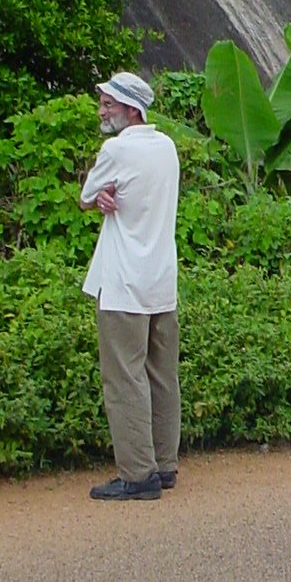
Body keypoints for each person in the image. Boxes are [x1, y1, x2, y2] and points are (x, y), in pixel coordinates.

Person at [79, 71, 181, 501]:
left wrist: (97, 197)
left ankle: (138, 475)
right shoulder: (168, 147)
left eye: (109, 105)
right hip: (161, 278)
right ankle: (164, 464)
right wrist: (106, 196)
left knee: (124, 377)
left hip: (123, 282)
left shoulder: (116, 149)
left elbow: (86, 194)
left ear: (131, 110)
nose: (102, 112)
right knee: (162, 374)